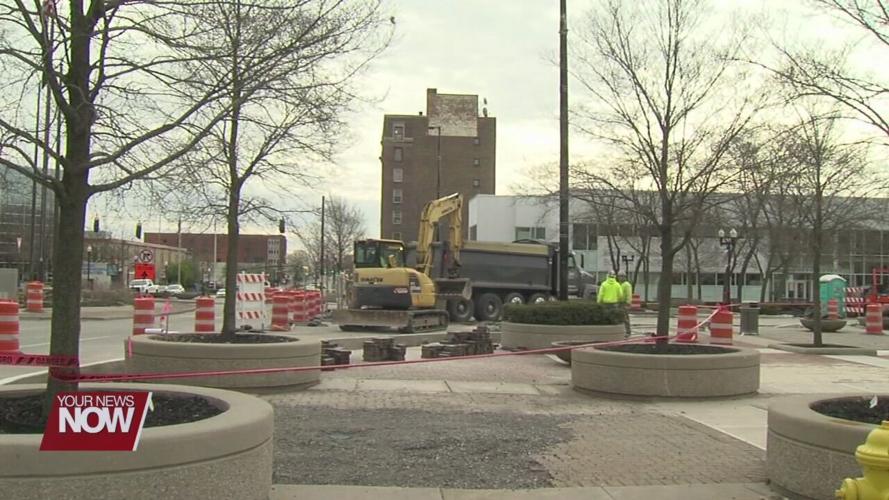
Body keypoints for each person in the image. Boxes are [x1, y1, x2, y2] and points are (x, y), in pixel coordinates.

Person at [618, 271, 634, 338]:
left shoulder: (627, 285)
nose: (620, 277)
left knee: (625, 318)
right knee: (621, 318)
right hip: (619, 303)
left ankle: (628, 332)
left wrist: (628, 303)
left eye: (622, 276)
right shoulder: (619, 284)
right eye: (619, 276)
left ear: (625, 277)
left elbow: (629, 294)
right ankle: (623, 331)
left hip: (624, 303)